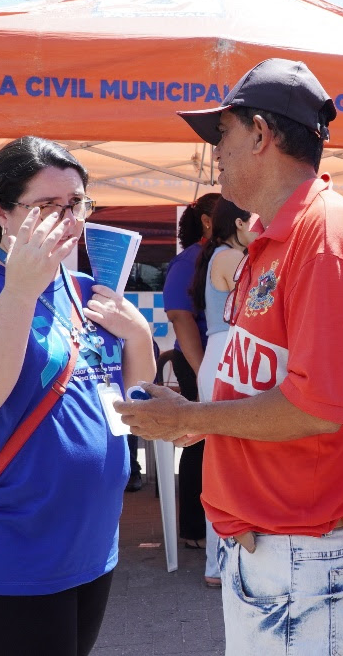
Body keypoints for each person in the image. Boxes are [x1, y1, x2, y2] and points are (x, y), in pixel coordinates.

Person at [117, 58, 343, 656]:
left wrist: (192, 419)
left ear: (261, 134)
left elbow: (316, 406)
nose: (213, 154)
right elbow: (272, 381)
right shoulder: (280, 235)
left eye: (220, 134)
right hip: (278, 548)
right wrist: (195, 414)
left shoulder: (327, 236)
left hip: (301, 548)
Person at [0, 136, 155, 656]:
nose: (68, 220)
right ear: (2, 212)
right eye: (47, 207)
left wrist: (139, 337)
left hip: (93, 541)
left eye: (75, 204)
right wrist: (21, 289)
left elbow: (130, 405)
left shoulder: (81, 286)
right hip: (13, 546)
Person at [188, 192, 257, 588]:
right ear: (239, 224)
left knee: (226, 459)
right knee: (228, 461)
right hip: (230, 354)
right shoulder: (232, 259)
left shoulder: (222, 256)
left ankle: (221, 561)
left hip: (228, 353)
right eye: (256, 222)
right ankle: (220, 563)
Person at [162, 197, 218, 544]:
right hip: (197, 362)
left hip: (217, 363)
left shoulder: (221, 255)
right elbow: (181, 318)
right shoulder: (189, 261)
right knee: (199, 442)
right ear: (210, 221)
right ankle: (195, 530)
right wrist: (203, 371)